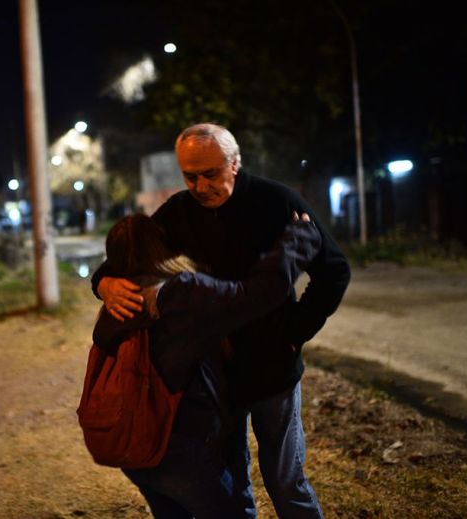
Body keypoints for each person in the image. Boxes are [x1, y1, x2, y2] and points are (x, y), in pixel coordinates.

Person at [92, 123, 351, 518]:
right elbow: (132, 256)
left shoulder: (277, 202)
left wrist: (295, 332)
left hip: (272, 368)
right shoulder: (179, 212)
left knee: (285, 481)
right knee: (234, 479)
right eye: (189, 176)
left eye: (210, 174)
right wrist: (105, 282)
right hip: (215, 381)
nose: (199, 186)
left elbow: (333, 271)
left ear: (235, 163)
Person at [92, 212, 320, 518]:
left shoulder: (115, 307)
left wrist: (102, 283)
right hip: (183, 456)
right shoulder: (181, 293)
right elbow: (259, 293)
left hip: (136, 453)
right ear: (165, 246)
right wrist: (301, 236)